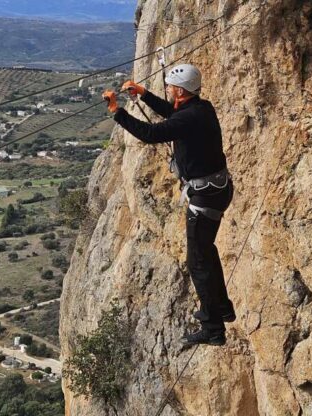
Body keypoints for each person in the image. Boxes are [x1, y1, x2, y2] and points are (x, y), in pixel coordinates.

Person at [103, 64, 236, 347]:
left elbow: (152, 134)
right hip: (215, 190)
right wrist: (144, 94)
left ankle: (213, 328)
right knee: (205, 253)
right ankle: (221, 308)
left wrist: (118, 113)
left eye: (170, 88)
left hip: (204, 197)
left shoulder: (188, 118)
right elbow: (175, 116)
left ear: (179, 90)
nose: (169, 91)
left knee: (197, 261)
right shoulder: (202, 109)